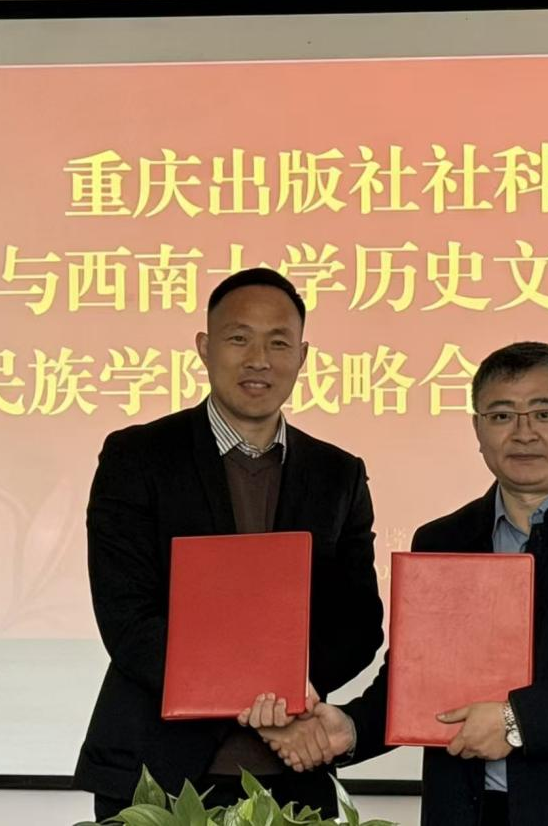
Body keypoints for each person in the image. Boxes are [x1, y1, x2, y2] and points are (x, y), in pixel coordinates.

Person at [240, 341, 548, 826]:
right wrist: (351, 728)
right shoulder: (444, 539)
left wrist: (516, 720)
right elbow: (421, 678)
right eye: (501, 416)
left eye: (545, 414)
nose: (523, 433)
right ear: (478, 429)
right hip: (469, 811)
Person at [74, 269, 385, 821]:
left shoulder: (337, 473)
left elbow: (357, 622)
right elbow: (128, 618)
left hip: (293, 774)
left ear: (303, 356)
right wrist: (261, 693)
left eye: (279, 343)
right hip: (156, 772)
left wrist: (287, 695)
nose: (259, 359)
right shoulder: (137, 458)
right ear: (204, 347)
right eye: (239, 338)